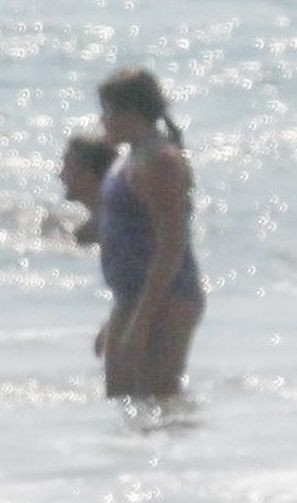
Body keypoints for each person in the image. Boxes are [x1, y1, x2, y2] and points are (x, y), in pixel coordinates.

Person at [96, 68, 204, 399]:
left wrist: (143, 319)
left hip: (166, 297)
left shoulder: (160, 161)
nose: (102, 120)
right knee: (121, 399)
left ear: (131, 112)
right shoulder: (131, 158)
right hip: (131, 296)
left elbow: (172, 245)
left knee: (157, 400)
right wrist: (117, 318)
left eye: (107, 110)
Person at [58, 131, 117, 246]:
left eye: (68, 167)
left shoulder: (92, 232)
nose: (60, 175)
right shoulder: (119, 215)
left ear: (88, 176)